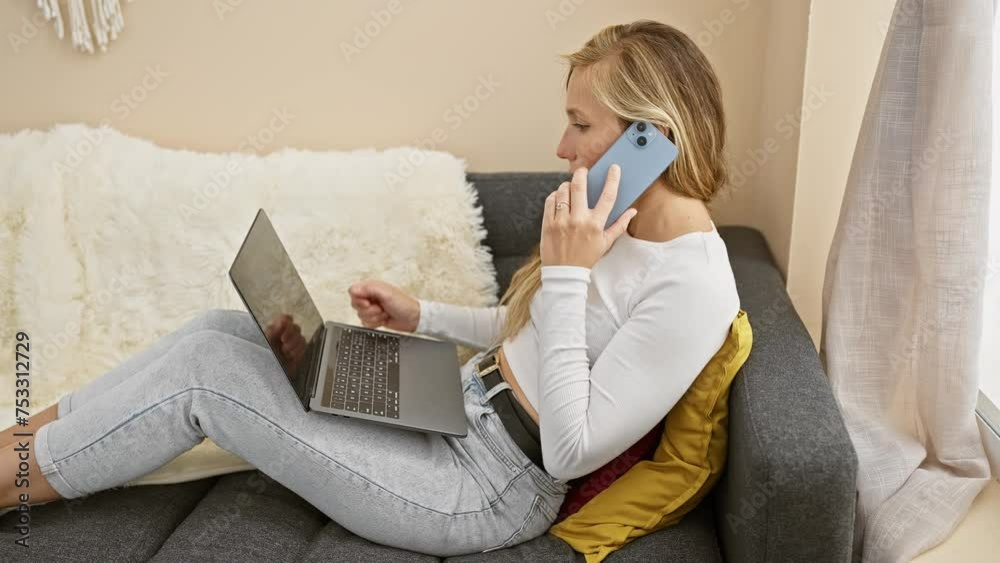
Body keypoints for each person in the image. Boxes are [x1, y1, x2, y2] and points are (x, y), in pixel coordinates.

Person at [0, 19, 739, 556]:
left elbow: (571, 451)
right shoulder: (620, 220)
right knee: (216, 333)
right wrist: (424, 315)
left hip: (484, 486)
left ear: (653, 136)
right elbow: (533, 335)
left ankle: (9, 481)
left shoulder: (693, 287)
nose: (560, 147)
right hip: (452, 406)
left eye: (580, 124)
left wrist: (572, 271)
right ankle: (12, 445)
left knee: (208, 380)